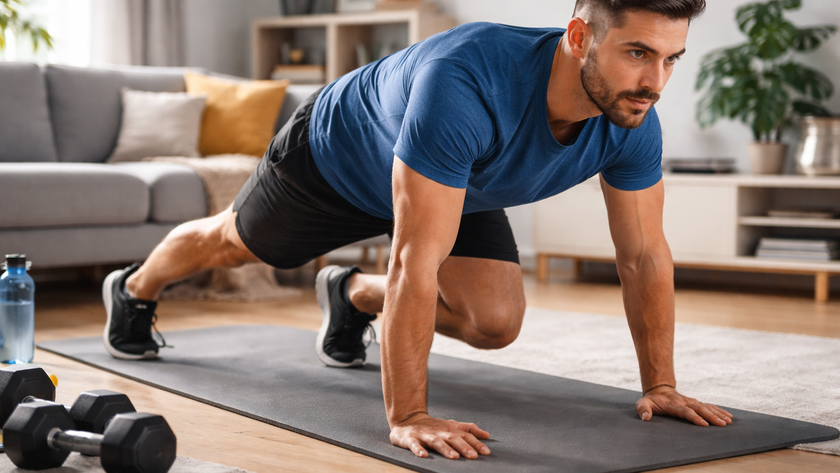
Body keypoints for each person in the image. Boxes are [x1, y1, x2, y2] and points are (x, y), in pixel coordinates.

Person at [101, 0, 733, 461]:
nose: (654, 82)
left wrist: (661, 385)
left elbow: (645, 257)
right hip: (335, 161)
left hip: (456, 179)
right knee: (232, 243)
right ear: (578, 36)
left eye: (670, 59)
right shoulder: (467, 80)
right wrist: (409, 416)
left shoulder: (631, 121)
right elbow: (412, 260)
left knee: (494, 323)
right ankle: (132, 289)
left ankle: (350, 295)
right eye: (637, 53)